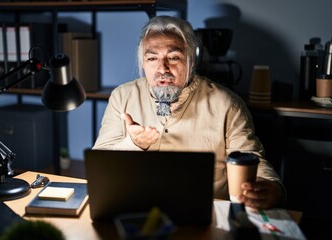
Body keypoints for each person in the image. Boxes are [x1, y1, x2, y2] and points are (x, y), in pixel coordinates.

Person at [92, 15, 285, 210]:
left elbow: (250, 158)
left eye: (174, 57)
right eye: (152, 58)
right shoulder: (122, 97)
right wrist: (133, 144)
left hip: (202, 212)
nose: (162, 68)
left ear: (191, 61)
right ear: (143, 63)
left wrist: (271, 187)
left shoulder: (227, 104)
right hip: (136, 208)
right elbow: (99, 165)